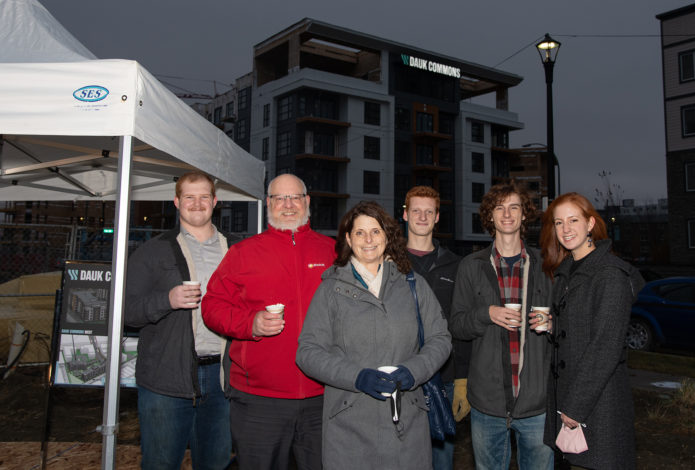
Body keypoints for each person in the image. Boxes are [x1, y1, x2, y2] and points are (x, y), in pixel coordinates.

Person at [296, 200, 452, 469]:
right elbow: (308, 352)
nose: (368, 239)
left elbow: (440, 338)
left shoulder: (412, 283)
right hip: (349, 424)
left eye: (375, 231)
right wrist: (357, 377)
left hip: (408, 424)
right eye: (359, 232)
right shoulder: (330, 290)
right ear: (348, 238)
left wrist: (413, 371)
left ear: (387, 236)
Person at [201, 173, 335, 470]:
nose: (288, 205)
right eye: (279, 198)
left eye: (295, 197)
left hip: (323, 396)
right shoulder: (243, 253)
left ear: (307, 202)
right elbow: (212, 306)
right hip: (259, 400)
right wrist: (250, 324)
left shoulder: (332, 251)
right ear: (268, 203)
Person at [124, 171, 233, 470]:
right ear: (176, 201)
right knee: (160, 464)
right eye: (189, 197)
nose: (196, 204)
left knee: (216, 463)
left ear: (215, 202)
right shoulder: (152, 251)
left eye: (203, 197)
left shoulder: (236, 250)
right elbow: (126, 312)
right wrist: (166, 300)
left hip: (223, 379)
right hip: (165, 379)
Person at [450, 181, 554, 470]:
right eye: (499, 207)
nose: (506, 214)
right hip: (487, 404)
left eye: (514, 207)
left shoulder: (546, 265)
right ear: (490, 216)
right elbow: (457, 326)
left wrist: (554, 322)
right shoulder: (471, 266)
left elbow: (568, 323)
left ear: (524, 215)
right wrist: (487, 314)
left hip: (537, 404)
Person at [540, 192, 644, 470]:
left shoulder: (609, 274)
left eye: (573, 220)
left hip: (597, 404)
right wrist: (554, 326)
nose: (565, 229)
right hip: (572, 398)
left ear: (590, 224)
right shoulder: (567, 271)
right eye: (559, 222)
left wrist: (574, 407)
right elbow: (581, 328)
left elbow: (605, 346)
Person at [402, 185, 470, 470]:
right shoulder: (390, 264)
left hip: (445, 378)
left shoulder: (456, 265)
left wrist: (463, 380)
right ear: (404, 215)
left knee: (441, 459)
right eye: (416, 210)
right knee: (401, 457)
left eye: (428, 211)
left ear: (437, 217)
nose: (422, 216)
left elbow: (462, 324)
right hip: (402, 377)